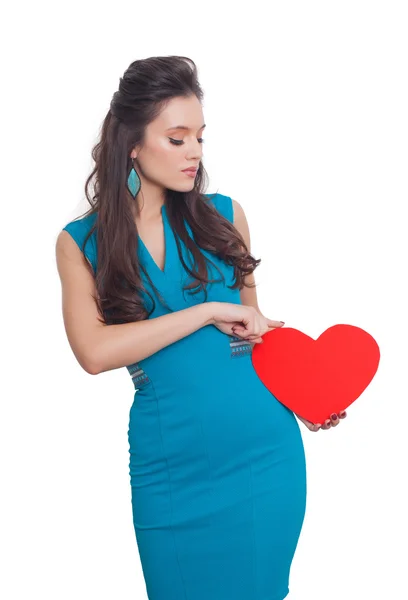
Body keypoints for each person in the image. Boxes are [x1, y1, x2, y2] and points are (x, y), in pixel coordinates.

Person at [56, 55, 347, 600]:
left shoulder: (224, 215)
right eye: (177, 138)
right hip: (171, 465)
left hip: (264, 455)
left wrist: (307, 393)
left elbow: (256, 332)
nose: (195, 152)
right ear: (133, 145)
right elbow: (94, 352)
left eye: (200, 138)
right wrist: (208, 311)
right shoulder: (80, 242)